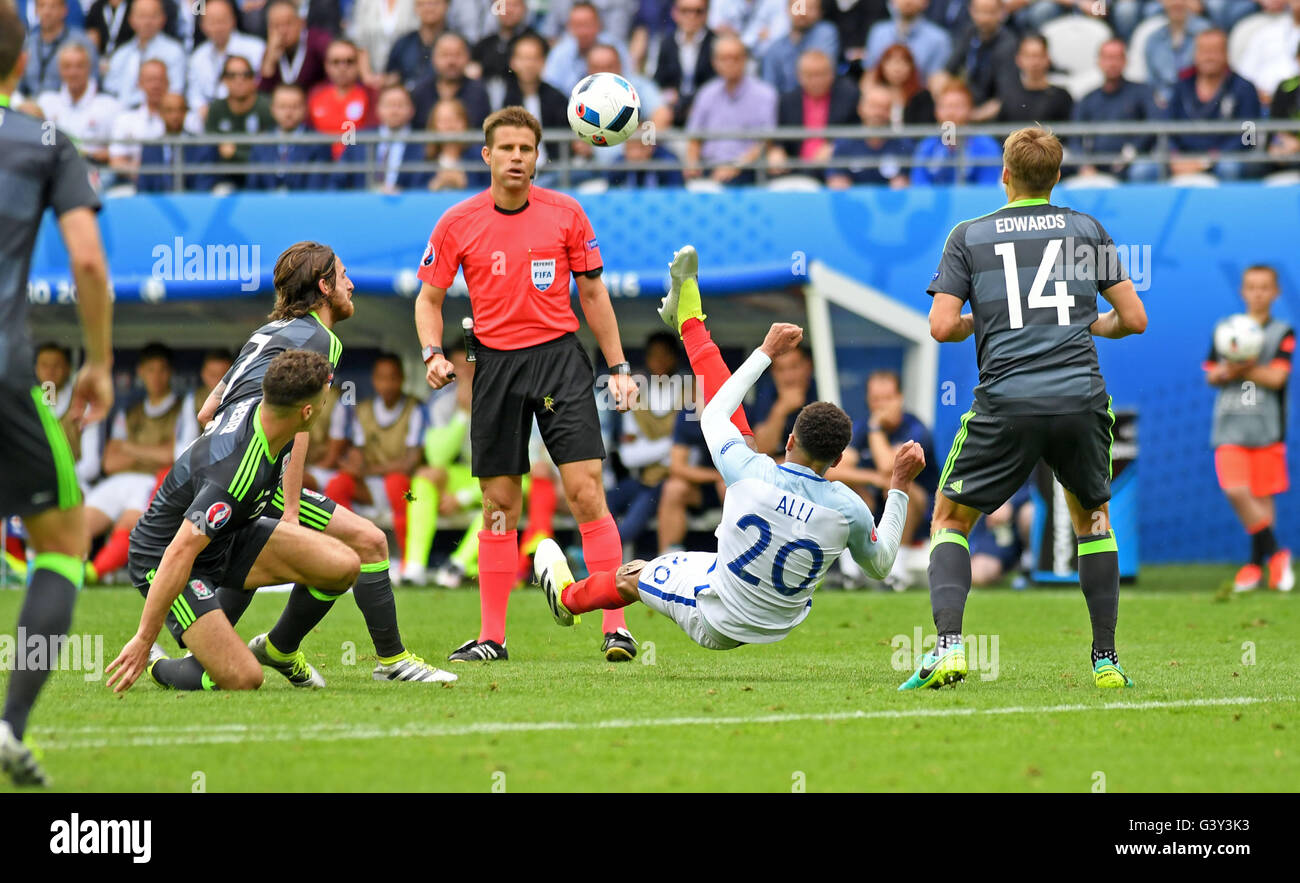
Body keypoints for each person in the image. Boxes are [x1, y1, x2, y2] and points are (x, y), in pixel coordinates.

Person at [533, 255, 924, 653]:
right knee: (744, 446)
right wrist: (899, 486)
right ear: (837, 460)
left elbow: (716, 410)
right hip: (776, 622)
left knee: (631, 576)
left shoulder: (751, 473)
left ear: (790, 441)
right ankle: (688, 316)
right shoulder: (849, 507)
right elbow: (881, 565)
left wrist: (765, 352)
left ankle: (566, 600)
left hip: (717, 617)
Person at [148, 242, 456, 688]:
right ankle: (386, 660)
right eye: (344, 275)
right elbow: (299, 426)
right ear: (324, 286)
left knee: (219, 660)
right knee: (366, 544)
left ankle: (273, 648)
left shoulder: (267, 333)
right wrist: (288, 513)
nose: (351, 284)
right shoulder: (320, 339)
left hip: (220, 468)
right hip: (253, 477)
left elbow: (207, 413)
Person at [912, 125, 1148, 691]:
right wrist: (1092, 323)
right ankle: (1106, 661)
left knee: (949, 520)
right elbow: (1134, 320)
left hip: (1008, 400)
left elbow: (942, 327)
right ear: (1057, 176)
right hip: (1079, 397)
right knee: (1093, 521)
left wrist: (982, 321)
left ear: (1005, 175)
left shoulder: (969, 235)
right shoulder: (1086, 229)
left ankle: (948, 649)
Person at [414, 105, 642, 663]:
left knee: (586, 490)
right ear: (487, 155)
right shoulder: (456, 222)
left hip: (559, 362)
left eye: (527, 149)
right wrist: (432, 354)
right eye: (507, 148)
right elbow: (429, 299)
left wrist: (617, 369)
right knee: (498, 503)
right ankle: (493, 637)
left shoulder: (567, 213)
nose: (518, 158)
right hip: (493, 366)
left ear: (537, 157)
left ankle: (616, 627)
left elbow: (593, 296)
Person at [0, 1, 115, 787]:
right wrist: (97, 360)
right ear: (24, 59)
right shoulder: (43, 143)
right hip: (8, 372)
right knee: (63, 544)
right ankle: (8, 726)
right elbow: (89, 264)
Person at [106, 351, 363, 694]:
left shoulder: (272, 408)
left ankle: (279, 649)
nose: (324, 405)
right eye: (322, 400)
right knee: (243, 678)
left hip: (229, 537)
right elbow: (180, 552)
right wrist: (143, 637)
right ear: (306, 412)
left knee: (343, 564)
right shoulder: (236, 474)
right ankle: (157, 663)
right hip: (166, 557)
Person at [1204, 265, 1294, 592]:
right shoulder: (1227, 331)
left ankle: (1255, 568)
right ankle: (1278, 554)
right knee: (1236, 490)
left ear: (1275, 292)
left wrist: (1243, 368)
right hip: (1229, 427)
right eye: (1252, 287)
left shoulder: (1283, 332)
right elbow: (1212, 374)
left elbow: (1277, 377)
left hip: (1267, 429)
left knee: (1262, 497)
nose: (1258, 293)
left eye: (1264, 287)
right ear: (1243, 291)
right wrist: (1230, 370)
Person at [827, 369, 938, 586]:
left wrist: (876, 428)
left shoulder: (915, 428)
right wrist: (870, 478)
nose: (881, 406)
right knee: (844, 489)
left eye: (887, 399)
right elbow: (833, 470)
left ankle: (897, 571)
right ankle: (851, 572)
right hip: (875, 510)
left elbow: (890, 468)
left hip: (920, 516)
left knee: (897, 488)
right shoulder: (860, 428)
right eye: (876, 400)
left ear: (900, 399)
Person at [83, 343, 181, 583]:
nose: (156, 377)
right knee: (81, 523)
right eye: (150, 370)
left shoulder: (181, 407)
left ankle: (92, 574)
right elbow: (109, 462)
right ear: (140, 372)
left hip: (155, 480)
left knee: (131, 522)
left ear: (170, 373)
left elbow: (172, 455)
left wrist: (128, 448)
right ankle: (58, 573)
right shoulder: (129, 412)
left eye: (162, 370)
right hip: (120, 479)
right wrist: (152, 451)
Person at [325, 353, 427, 568]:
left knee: (396, 482)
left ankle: (408, 563)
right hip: (370, 486)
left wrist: (368, 470)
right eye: (381, 378)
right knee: (337, 485)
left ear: (402, 379)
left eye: (392, 378)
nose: (387, 384)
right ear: (373, 380)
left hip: (406, 490)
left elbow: (410, 462)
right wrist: (354, 466)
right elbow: (358, 453)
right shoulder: (363, 410)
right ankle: (350, 556)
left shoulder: (414, 408)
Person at [1167, 29, 1262, 180]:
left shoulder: (1244, 88)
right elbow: (1168, 127)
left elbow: (1248, 138)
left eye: (1214, 51)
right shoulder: (1182, 85)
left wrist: (1210, 159)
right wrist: (1175, 156)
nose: (1208, 57)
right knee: (1148, 168)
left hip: (1226, 158)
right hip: (1185, 158)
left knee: (1228, 167)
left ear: (1226, 54)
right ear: (1195, 54)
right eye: (1204, 51)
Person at [684, 35, 777, 185]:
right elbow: (694, 138)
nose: (729, 63)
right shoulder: (706, 93)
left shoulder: (765, 94)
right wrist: (692, 164)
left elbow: (765, 142)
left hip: (747, 171)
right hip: (709, 168)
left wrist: (735, 166)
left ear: (745, 60)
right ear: (714, 62)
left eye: (735, 58)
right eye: (723, 58)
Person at [1072, 39, 1163, 183]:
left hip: (1134, 162)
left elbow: (1154, 124)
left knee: (1144, 170)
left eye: (1116, 58)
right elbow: (1075, 137)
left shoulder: (1142, 92)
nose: (1112, 64)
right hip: (1096, 164)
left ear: (1125, 61)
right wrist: (1084, 165)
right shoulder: (1088, 98)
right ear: (1099, 61)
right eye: (1107, 58)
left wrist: (1132, 152)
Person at [769, 48, 860, 180]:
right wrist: (777, 151)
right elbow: (780, 137)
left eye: (822, 74)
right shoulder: (788, 100)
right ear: (799, 76)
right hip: (795, 169)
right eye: (810, 75)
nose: (816, 80)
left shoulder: (848, 95)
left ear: (832, 74)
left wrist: (836, 147)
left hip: (833, 169)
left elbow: (857, 130)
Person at [36, 42, 121, 168]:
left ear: (89, 68)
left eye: (79, 66)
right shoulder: (45, 103)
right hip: (56, 171)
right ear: (59, 69)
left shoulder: (110, 105)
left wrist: (96, 155)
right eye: (67, 67)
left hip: (96, 171)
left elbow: (121, 151)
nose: (73, 72)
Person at [246, 82, 335, 190]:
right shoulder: (260, 144)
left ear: (305, 109)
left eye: (295, 107)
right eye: (282, 107)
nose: (288, 113)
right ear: (272, 109)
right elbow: (253, 188)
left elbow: (315, 189)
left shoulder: (319, 144)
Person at [184, 0, 265, 117]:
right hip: (209, 117)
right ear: (202, 26)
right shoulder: (198, 56)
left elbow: (259, 87)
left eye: (222, 21)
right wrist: (201, 108)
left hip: (247, 111)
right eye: (212, 22)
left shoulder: (256, 49)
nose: (218, 27)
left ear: (233, 20)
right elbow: (194, 94)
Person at [910, 82, 1001, 186]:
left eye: (957, 106)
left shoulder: (986, 145)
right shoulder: (927, 146)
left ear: (970, 110)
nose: (951, 113)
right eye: (945, 106)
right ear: (936, 111)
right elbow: (920, 187)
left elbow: (988, 188)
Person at [205, 54, 275, 189]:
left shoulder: (266, 107)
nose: (239, 80)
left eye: (246, 75)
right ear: (224, 80)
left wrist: (234, 153)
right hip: (225, 176)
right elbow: (211, 150)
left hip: (262, 176)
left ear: (254, 78)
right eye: (232, 75)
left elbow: (268, 153)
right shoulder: (216, 108)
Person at [101, 0, 184, 106]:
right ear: (131, 19)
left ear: (163, 18)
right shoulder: (121, 53)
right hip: (122, 115)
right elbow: (110, 89)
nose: (147, 22)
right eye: (142, 16)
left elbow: (175, 91)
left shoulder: (174, 52)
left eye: (153, 16)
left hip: (159, 112)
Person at [826, 83, 910, 187]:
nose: (878, 113)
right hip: (854, 201)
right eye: (873, 106)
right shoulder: (845, 142)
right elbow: (835, 179)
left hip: (890, 202)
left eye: (885, 108)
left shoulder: (903, 144)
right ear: (860, 108)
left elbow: (909, 184)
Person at [309, 38, 378, 159]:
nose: (342, 67)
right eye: (336, 62)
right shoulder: (315, 95)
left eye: (349, 61)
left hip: (357, 165)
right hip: (321, 165)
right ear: (326, 65)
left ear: (358, 64)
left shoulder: (370, 95)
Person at [410, 31, 490, 130]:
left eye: (457, 54)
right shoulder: (421, 91)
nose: (451, 61)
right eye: (445, 55)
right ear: (433, 58)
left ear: (468, 57)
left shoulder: (478, 92)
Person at [655, 0, 716, 126]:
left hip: (707, 110)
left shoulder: (715, 43)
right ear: (675, 13)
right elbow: (659, 80)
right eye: (685, 11)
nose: (691, 16)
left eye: (698, 11)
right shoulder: (667, 43)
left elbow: (716, 82)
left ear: (706, 14)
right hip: (673, 111)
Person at [19, 0, 98, 98]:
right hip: (27, 106)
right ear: (35, 10)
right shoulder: (28, 43)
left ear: (64, 10)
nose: (47, 12)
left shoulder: (82, 43)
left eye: (53, 7)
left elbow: (92, 83)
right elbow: (17, 83)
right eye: (41, 6)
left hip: (67, 106)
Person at [760, 0, 840, 94]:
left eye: (810, 8)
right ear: (787, 9)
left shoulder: (825, 33)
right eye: (798, 7)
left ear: (819, 12)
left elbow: (818, 72)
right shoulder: (774, 49)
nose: (802, 13)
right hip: (785, 104)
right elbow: (769, 89)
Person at [257, 0, 333, 95]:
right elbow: (264, 94)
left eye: (288, 24)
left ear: (301, 22)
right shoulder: (270, 50)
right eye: (276, 26)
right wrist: (269, 62)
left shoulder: (318, 42)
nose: (282, 31)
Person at [995, 33, 1073, 124]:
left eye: (1038, 56)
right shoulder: (1008, 96)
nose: (1034, 62)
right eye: (1028, 56)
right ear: (1018, 59)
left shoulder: (1061, 97)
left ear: (1047, 58)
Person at [864, 0, 952, 79]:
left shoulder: (939, 39)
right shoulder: (878, 32)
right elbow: (870, 73)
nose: (908, 1)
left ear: (926, 2)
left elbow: (936, 80)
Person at [172, 350, 235, 460]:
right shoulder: (193, 399)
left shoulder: (243, 397)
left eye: (224, 376)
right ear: (203, 374)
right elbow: (183, 448)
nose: (218, 381)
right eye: (213, 375)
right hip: (203, 462)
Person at [384, 0, 449, 91]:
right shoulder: (403, 43)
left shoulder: (456, 44)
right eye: (422, 4)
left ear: (447, 5)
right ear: (415, 8)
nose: (428, 8)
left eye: (434, 3)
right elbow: (389, 77)